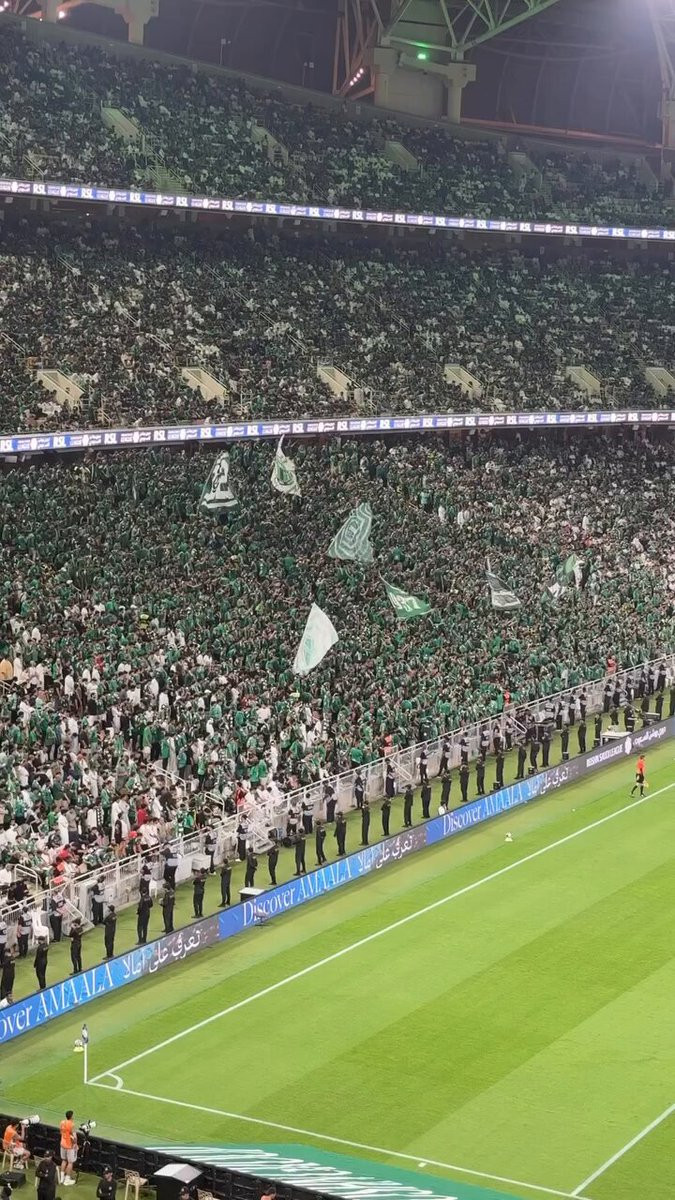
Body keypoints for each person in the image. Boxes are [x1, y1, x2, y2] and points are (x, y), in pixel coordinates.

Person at [59, 1110, 77, 1186]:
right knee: (70, 1162)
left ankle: (61, 1179)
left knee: (64, 1160)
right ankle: (67, 1180)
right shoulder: (72, 1125)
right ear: (71, 1116)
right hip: (69, 1146)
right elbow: (74, 1137)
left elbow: (61, 1132)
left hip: (62, 1144)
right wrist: (75, 1144)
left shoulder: (62, 1122)